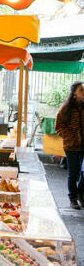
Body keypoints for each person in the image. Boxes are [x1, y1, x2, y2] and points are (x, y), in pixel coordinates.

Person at [54, 81, 84, 210]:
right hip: (71, 146)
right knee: (73, 173)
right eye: (81, 90)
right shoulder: (65, 109)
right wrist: (70, 137)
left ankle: (81, 194)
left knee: (83, 172)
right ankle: (73, 198)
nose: (83, 92)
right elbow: (58, 127)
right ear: (74, 93)